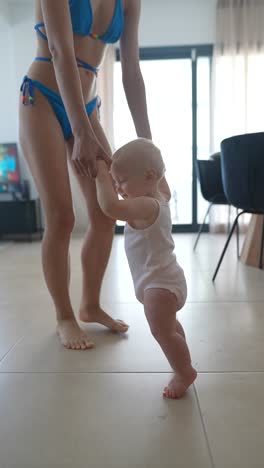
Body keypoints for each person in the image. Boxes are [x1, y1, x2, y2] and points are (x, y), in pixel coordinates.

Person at [19, 0, 155, 350]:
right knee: (62, 216)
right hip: (43, 98)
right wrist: (80, 132)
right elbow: (60, 51)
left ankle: (90, 305)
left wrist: (147, 147)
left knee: (105, 212)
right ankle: (64, 315)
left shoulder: (131, 2)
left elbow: (132, 73)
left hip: (87, 105)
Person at [95, 138, 197, 399]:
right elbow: (160, 174)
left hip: (158, 285)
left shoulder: (146, 205)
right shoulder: (161, 195)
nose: (118, 188)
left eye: (122, 181)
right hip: (165, 279)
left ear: (149, 175)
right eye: (115, 182)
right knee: (169, 328)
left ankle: (184, 371)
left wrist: (99, 173)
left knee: (161, 331)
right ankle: (181, 359)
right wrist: (121, 168)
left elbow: (110, 207)